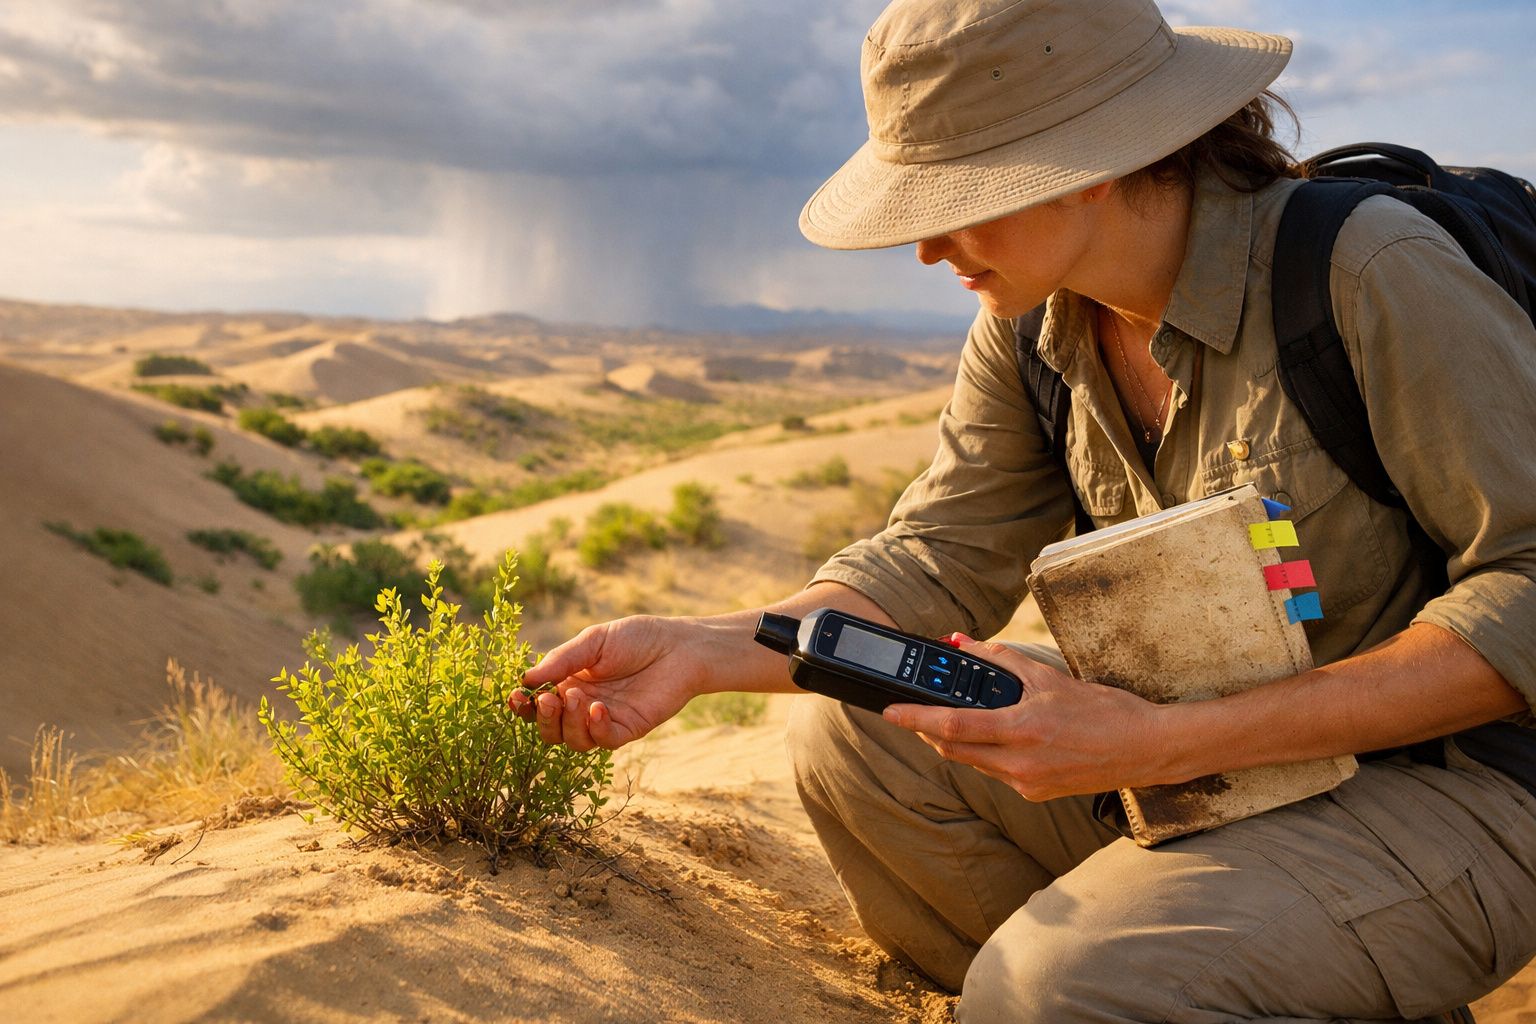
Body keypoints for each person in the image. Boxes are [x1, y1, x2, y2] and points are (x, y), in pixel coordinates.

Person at [513, 0, 1536, 1019]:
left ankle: (1120, 986)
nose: (924, 248)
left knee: (1054, 985)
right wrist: (702, 647)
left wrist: (1161, 745)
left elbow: (1527, 592)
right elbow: (934, 553)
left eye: (958, 195)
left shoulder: (1369, 273)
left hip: (1453, 781)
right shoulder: (1031, 325)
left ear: (1091, 161)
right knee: (856, 733)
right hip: (1220, 767)